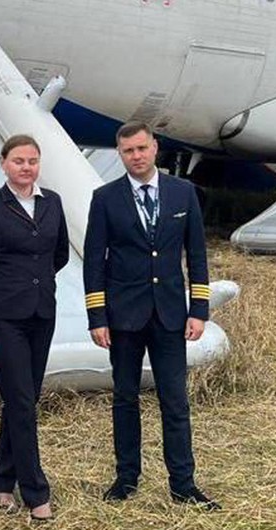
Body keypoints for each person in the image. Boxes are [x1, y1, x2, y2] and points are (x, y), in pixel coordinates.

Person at [82, 121, 219, 510]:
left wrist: (200, 309)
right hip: (123, 317)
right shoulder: (105, 198)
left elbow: (196, 255)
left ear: (155, 147)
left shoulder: (184, 193)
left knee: (175, 401)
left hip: (171, 315)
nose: (136, 156)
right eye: (128, 151)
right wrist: (97, 317)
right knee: (125, 399)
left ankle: (183, 484)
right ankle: (126, 479)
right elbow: (94, 261)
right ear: (120, 154)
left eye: (142, 148)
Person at [0, 135, 69, 521]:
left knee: (23, 400)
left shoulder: (52, 202)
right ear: (3, 163)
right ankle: (35, 492)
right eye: (18, 161)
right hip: (3, 318)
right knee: (23, 402)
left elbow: (58, 253)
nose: (26, 167)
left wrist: (35, 281)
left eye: (32, 161)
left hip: (41, 314)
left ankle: (1, 479)